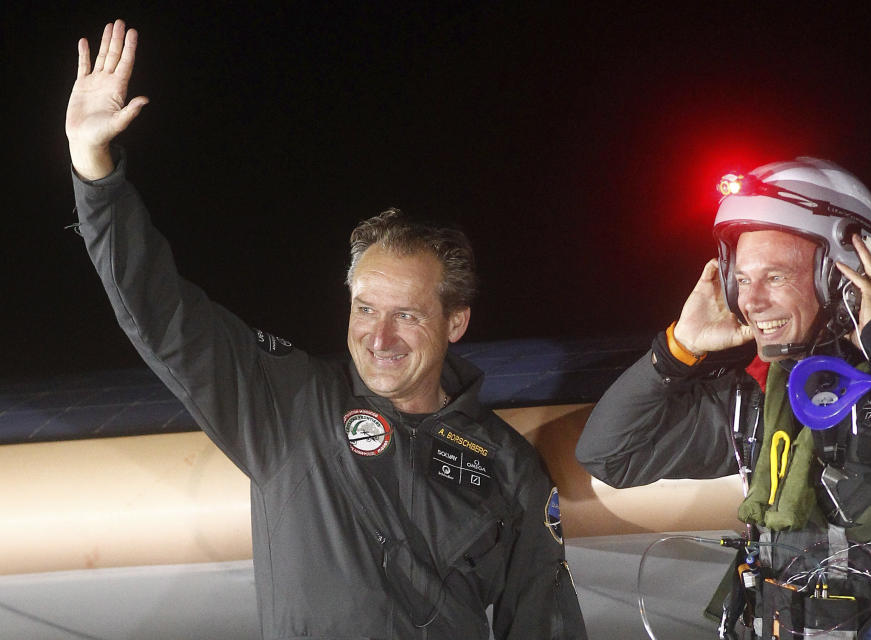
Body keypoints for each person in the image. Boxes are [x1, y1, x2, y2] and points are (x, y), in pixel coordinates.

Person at [66, 20, 587, 640]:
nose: (379, 335)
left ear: (456, 321)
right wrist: (95, 172)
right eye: (365, 308)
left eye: (408, 314)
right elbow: (162, 314)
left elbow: (546, 626)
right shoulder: (287, 405)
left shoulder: (509, 467)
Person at [576, 157, 871, 638]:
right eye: (742, 280)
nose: (751, 301)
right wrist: (677, 350)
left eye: (775, 277)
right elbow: (610, 455)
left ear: (845, 275)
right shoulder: (755, 402)